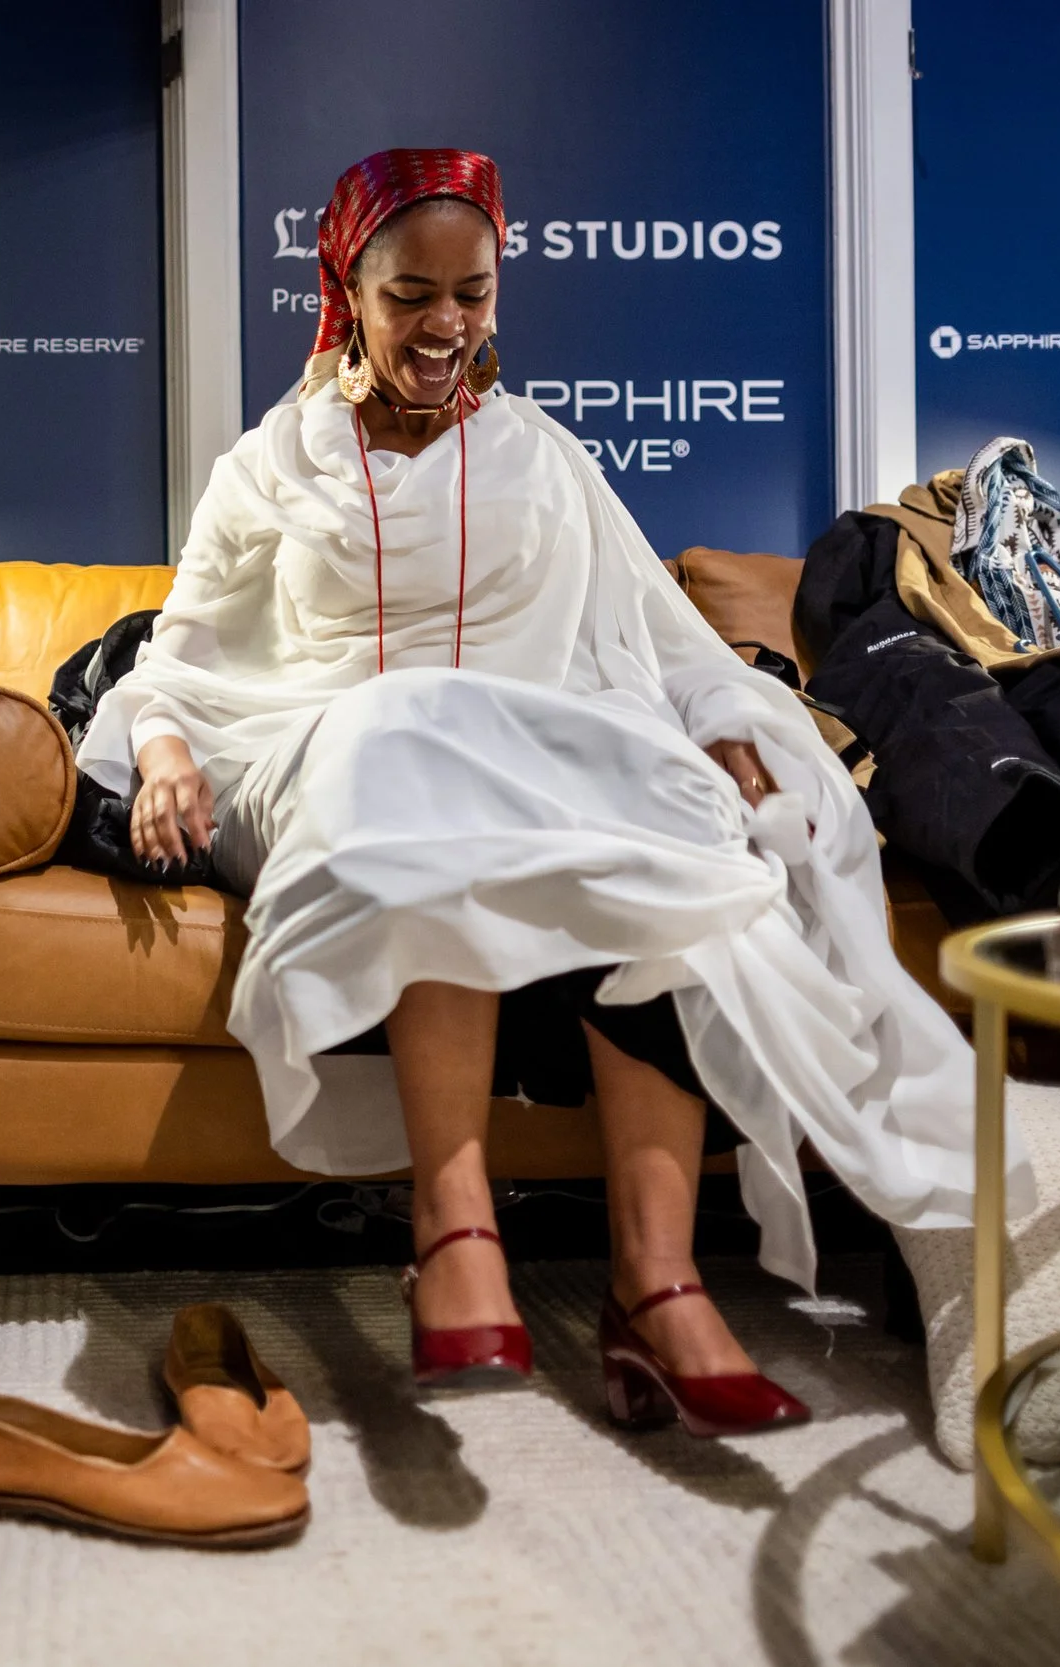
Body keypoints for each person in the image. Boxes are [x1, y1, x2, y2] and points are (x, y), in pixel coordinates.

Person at [77, 149, 1009, 1435]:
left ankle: (656, 1275)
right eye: (412, 294)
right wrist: (165, 741)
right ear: (347, 287)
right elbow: (178, 649)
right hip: (316, 748)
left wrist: (734, 725)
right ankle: (453, 1228)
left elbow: (661, 634)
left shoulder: (542, 456)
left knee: (675, 815)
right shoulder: (269, 461)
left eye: (474, 291)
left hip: (508, 750)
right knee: (409, 739)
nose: (447, 325)